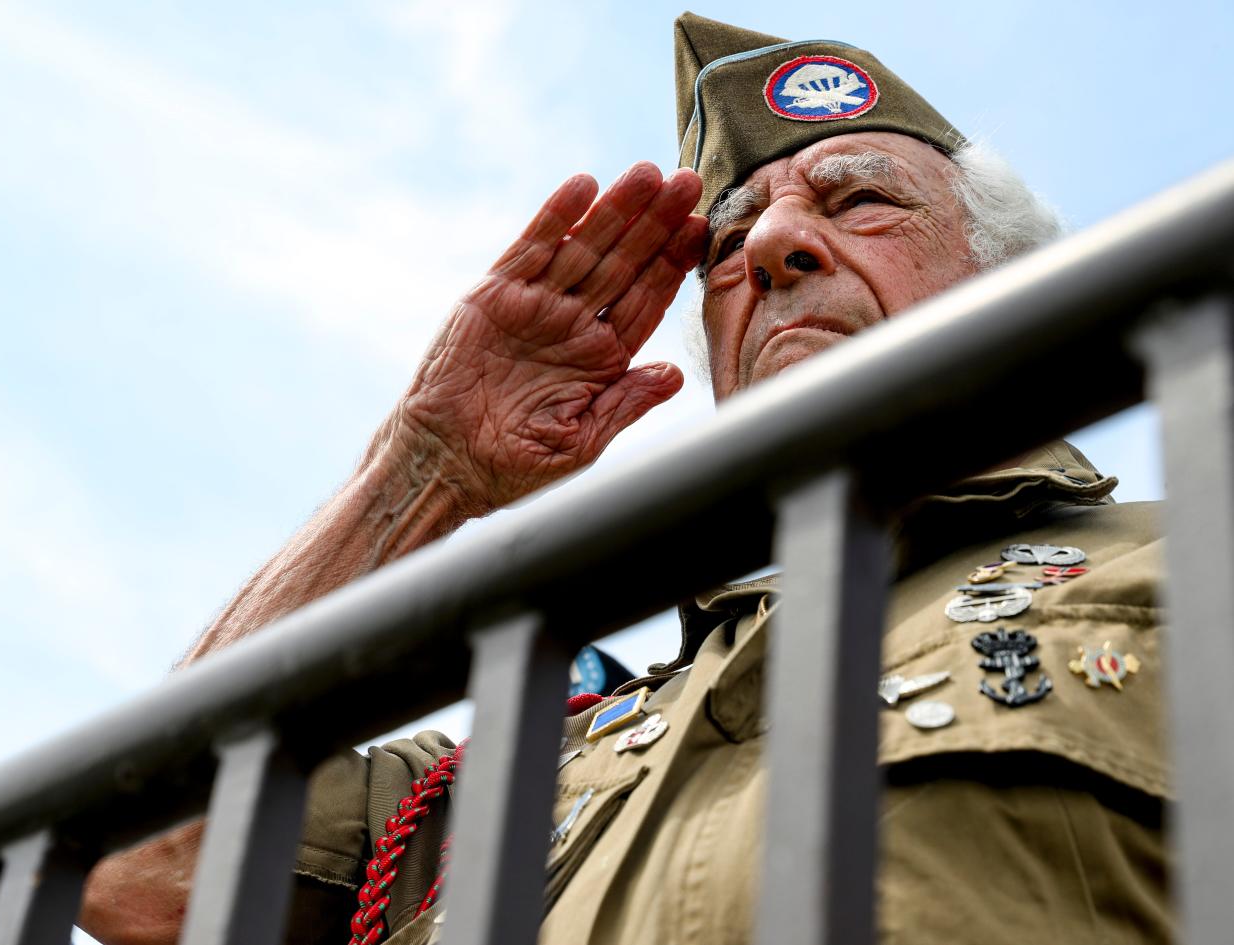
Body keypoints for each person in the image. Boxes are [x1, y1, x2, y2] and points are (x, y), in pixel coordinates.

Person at [78, 13, 1172, 945]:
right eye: (731, 239)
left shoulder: (1188, 574)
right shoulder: (508, 766)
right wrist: (429, 467)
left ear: (1006, 272)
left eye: (858, 203)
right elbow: (140, 862)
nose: (773, 246)